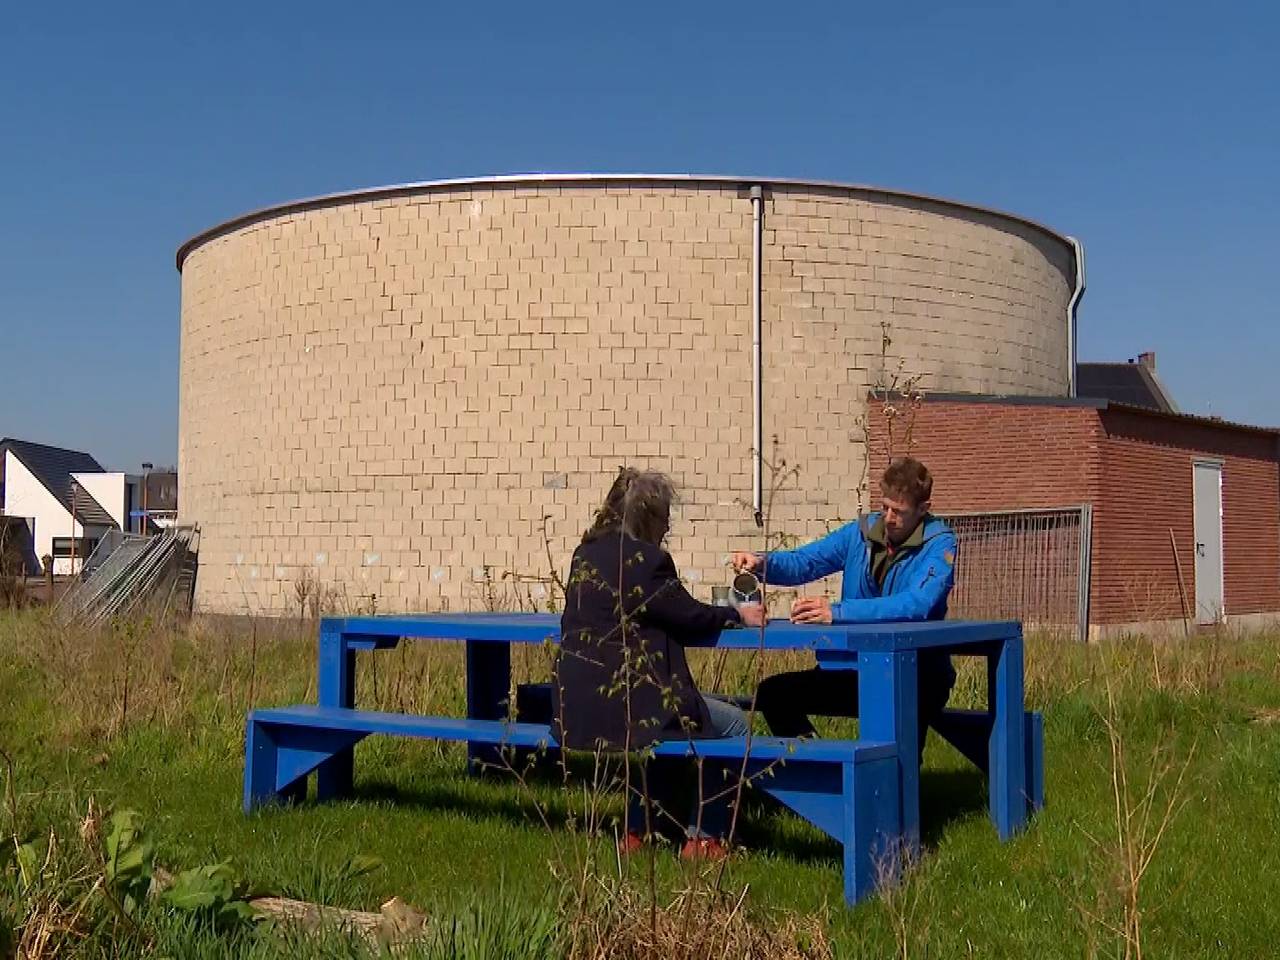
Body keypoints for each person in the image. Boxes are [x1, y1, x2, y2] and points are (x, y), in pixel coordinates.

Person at [553, 468, 765, 859]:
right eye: (665, 516)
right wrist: (736, 615)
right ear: (650, 517)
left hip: (576, 704)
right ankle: (705, 836)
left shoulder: (583, 555)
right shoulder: (647, 561)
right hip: (629, 705)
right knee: (730, 722)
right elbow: (688, 616)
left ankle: (639, 829)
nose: (668, 525)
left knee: (677, 718)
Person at [732, 457, 957, 758]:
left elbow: (915, 604)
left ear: (923, 509)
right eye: (884, 506)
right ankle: (820, 769)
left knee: (899, 739)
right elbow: (806, 561)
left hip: (916, 675)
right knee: (773, 694)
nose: (888, 518)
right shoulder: (860, 534)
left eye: (898, 512)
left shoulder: (940, 545)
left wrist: (837, 612)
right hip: (851, 671)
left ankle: (897, 799)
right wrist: (762, 563)